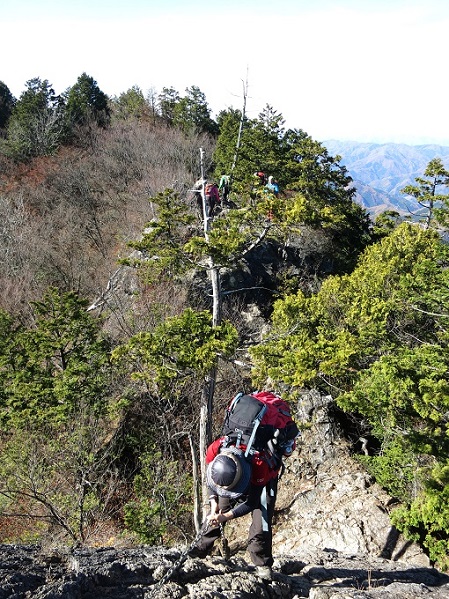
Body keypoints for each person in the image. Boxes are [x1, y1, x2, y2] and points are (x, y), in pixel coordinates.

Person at [189, 417, 299, 579]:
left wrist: (224, 517)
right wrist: (214, 508)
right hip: (238, 469)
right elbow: (212, 483)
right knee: (220, 506)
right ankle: (199, 549)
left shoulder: (260, 464)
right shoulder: (216, 448)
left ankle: (262, 564)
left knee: (261, 521)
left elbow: (251, 502)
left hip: (264, 479)